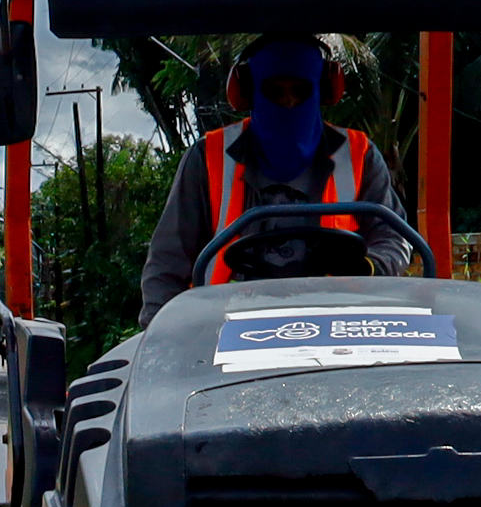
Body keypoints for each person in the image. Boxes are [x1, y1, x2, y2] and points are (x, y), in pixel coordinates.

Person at [132, 33, 414, 323]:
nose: (289, 103)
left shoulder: (359, 154)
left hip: (337, 321)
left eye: (300, 91)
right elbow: (167, 262)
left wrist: (367, 267)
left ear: (322, 89)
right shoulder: (207, 158)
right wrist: (159, 332)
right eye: (275, 92)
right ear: (249, 91)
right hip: (226, 325)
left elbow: (394, 237)